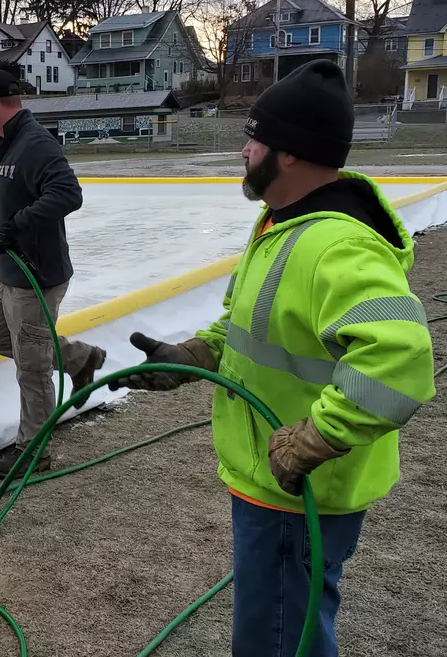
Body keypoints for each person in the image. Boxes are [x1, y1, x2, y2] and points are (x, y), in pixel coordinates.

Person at [109, 59, 436, 656]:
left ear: (287, 153)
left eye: (253, 138)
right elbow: (246, 319)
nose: (243, 151)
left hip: (300, 485)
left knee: (279, 638)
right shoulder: (282, 225)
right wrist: (192, 353)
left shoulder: (334, 244)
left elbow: (400, 363)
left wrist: (314, 439)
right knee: (281, 628)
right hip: (270, 480)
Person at [0, 68, 106, 478]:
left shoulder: (35, 142)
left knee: (32, 366)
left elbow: (67, 194)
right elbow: (22, 185)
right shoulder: (10, 143)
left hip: (35, 274)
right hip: (7, 269)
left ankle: (33, 450)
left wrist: (13, 225)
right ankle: (81, 358)